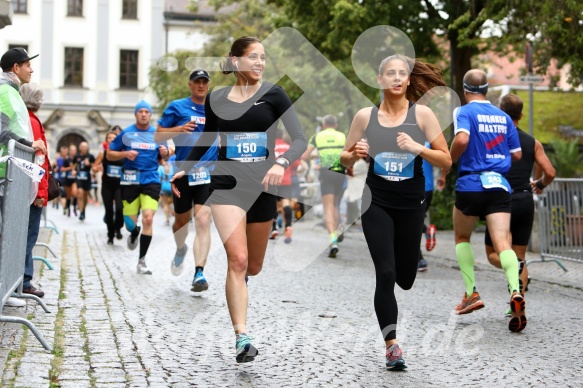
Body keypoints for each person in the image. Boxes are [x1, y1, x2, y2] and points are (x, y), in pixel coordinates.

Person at [171, 36, 306, 363]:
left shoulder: (274, 95)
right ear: (235, 62)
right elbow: (207, 139)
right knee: (239, 260)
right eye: (253, 57)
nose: (260, 62)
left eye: (263, 57)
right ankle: (241, 336)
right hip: (227, 186)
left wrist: (281, 162)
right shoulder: (216, 99)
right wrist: (184, 169)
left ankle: (240, 283)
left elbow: (300, 139)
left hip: (263, 187)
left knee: (254, 266)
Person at [340, 54, 452, 370]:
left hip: (411, 204)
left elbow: (445, 160)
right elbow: (343, 160)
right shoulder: (365, 116)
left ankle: (411, 258)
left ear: (408, 80)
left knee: (405, 278)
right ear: (380, 80)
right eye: (391, 73)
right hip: (376, 202)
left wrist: (418, 148)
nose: (397, 78)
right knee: (386, 273)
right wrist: (354, 154)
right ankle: (392, 346)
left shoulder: (423, 116)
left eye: (402, 74)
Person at [438, 69, 525, 332]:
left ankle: (471, 293)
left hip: (471, 183)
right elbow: (517, 154)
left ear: (465, 90)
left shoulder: (464, 111)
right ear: (487, 89)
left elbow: (462, 138)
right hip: (499, 185)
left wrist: (449, 161)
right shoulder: (504, 117)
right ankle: (515, 291)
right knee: (502, 243)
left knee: (462, 238)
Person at [483, 94, 556, 308]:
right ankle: (518, 303)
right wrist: (540, 184)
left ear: (499, 113)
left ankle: (513, 265)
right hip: (525, 199)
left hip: (500, 201)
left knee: (493, 254)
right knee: (520, 255)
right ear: (521, 115)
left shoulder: (493, 140)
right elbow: (550, 172)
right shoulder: (533, 142)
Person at [155, 69, 215, 291]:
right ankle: (180, 248)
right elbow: (158, 135)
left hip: (207, 172)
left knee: (202, 220)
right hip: (182, 172)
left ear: (208, 85)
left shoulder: (215, 108)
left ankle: (199, 272)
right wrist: (178, 130)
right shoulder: (177, 106)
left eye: (204, 82)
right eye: (197, 82)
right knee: (181, 223)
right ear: (190, 84)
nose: (201, 85)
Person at [107, 100, 170, 274]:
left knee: (148, 218)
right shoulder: (126, 133)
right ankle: (134, 232)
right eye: (140, 111)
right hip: (130, 181)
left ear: (150, 115)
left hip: (151, 180)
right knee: (129, 224)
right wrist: (125, 153)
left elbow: (163, 156)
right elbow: (110, 154)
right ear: (136, 114)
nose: (143, 114)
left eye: (146, 111)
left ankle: (142, 261)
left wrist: (165, 153)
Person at [19, 82, 50, 299]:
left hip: (27, 186)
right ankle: (25, 280)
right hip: (32, 188)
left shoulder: (25, 118)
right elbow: (39, 159)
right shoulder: (32, 121)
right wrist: (40, 193)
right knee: (28, 235)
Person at [301, 114, 347, 258]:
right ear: (336, 125)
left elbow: (305, 156)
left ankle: (333, 241)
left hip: (326, 173)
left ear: (324, 125)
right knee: (335, 205)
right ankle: (338, 228)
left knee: (327, 207)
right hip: (340, 173)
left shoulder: (317, 136)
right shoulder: (342, 136)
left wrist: (317, 156)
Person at [93, 131, 124, 244]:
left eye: (113, 137)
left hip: (120, 186)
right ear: (106, 141)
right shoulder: (103, 154)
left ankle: (118, 228)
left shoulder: (122, 153)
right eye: (109, 138)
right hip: (107, 186)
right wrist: (97, 168)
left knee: (120, 208)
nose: (111, 139)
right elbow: (94, 167)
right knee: (109, 210)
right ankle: (110, 235)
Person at [272, 128, 302, 243]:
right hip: (286, 179)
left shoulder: (270, 147)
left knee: (273, 204)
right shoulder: (288, 147)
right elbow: (296, 165)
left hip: (273, 179)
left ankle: (274, 228)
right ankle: (288, 227)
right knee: (285, 203)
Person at [418, 142, 437, 272]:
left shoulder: (404, 140)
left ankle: (420, 260)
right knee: (416, 221)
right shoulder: (430, 144)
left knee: (410, 224)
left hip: (413, 188)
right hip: (429, 189)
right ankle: (426, 231)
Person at [75, 141, 95, 221]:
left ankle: (83, 210)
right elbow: (73, 165)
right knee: (80, 194)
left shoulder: (90, 156)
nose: (84, 148)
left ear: (87, 148)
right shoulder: (77, 156)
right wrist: (73, 170)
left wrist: (89, 164)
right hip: (79, 177)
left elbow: (95, 166)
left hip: (87, 178)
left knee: (85, 195)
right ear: (80, 148)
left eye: (85, 146)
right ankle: (80, 211)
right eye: (82, 146)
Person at [158, 160, 174, 226]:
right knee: (174, 202)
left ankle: (167, 220)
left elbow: (158, 177)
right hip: (172, 187)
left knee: (165, 204)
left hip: (163, 187)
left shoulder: (161, 168)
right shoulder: (173, 167)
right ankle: (173, 213)